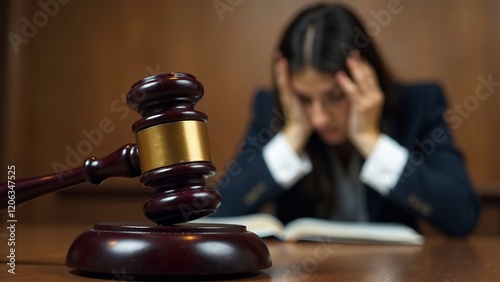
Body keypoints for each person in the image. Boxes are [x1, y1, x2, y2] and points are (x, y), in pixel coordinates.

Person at [212, 3, 480, 236]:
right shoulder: (273, 110)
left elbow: (462, 217)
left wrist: (371, 140)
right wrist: (292, 136)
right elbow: (218, 215)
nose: (319, 118)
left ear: (364, 77)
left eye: (336, 95)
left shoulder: (418, 106)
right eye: (305, 99)